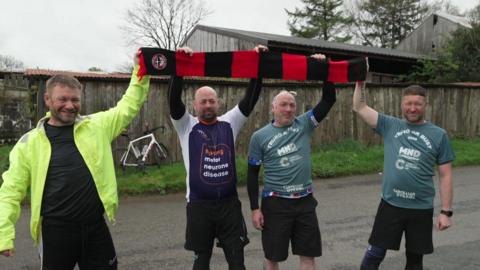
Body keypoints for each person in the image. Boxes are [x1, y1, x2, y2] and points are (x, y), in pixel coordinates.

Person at [0, 52, 151, 269]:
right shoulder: (28, 143)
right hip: (55, 233)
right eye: (62, 99)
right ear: (48, 100)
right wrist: (3, 232)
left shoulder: (97, 126)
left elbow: (129, 105)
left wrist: (141, 70)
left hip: (95, 228)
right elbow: (10, 191)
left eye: (75, 100)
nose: (69, 105)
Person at [168, 45, 266, 270]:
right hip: (198, 206)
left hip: (228, 206)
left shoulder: (229, 123)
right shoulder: (186, 126)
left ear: (218, 103)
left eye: (211, 100)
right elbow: (173, 99)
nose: (208, 104)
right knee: (201, 262)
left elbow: (250, 98)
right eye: (203, 101)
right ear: (195, 105)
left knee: (237, 260)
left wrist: (257, 65)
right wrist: (179, 67)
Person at [246, 52, 336, 270]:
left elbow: (329, 99)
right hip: (276, 203)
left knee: (308, 254)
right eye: (283, 105)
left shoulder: (304, 123)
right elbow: (252, 174)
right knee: (273, 256)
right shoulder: (259, 137)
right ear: (274, 108)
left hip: (305, 202)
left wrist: (326, 68)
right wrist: (255, 209)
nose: (288, 109)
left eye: (292, 105)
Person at [353, 81, 455, 270]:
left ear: (425, 105)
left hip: (420, 209)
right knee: (374, 254)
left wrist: (446, 212)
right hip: (391, 204)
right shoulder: (390, 125)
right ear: (402, 104)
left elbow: (446, 175)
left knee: (415, 260)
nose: (412, 108)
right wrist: (360, 83)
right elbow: (359, 107)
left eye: (417, 104)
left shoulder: (438, 135)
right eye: (408, 103)